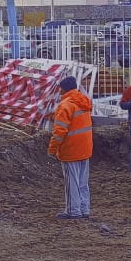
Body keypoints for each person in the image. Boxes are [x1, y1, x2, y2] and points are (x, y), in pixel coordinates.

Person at [48, 74, 93, 219]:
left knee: (71, 182)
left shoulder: (65, 105)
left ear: (63, 89)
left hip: (71, 150)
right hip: (85, 148)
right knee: (82, 182)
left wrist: (52, 149)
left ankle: (73, 211)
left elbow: (60, 132)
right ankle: (84, 209)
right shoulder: (84, 101)